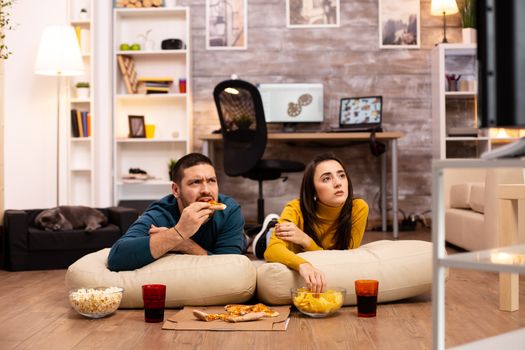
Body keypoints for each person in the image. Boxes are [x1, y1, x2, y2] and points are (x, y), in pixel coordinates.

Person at [107, 153, 246, 271]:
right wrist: (178, 232)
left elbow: (229, 269)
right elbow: (116, 258)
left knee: (243, 242)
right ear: (176, 190)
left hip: (233, 238)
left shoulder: (229, 210)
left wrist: (180, 241)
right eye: (195, 182)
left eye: (211, 181)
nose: (206, 190)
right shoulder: (159, 213)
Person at [252, 153, 369, 293]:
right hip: (285, 247)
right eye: (326, 178)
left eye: (341, 175)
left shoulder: (358, 208)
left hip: (303, 241)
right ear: (313, 190)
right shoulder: (295, 208)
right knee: (264, 247)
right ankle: (268, 230)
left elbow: (347, 256)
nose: (338, 183)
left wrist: (305, 240)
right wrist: (303, 265)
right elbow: (272, 251)